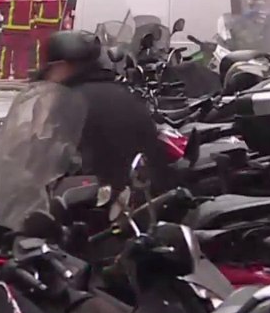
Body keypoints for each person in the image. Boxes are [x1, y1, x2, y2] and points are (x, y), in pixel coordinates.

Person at [38, 30, 172, 192]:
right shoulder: (122, 93)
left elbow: (49, 159)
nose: (46, 75)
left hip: (105, 203)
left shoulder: (70, 102)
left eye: (49, 68)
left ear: (63, 65)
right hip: (146, 197)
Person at [0, 0, 36, 80]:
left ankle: (3, 74)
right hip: (26, 28)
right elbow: (35, 8)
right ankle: (21, 74)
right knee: (22, 53)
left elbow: (2, 7)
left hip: (9, 28)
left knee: (5, 52)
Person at [31, 0, 69, 69]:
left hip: (41, 20)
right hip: (57, 20)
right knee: (58, 48)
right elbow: (67, 0)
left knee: (41, 47)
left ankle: (40, 69)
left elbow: (33, 1)